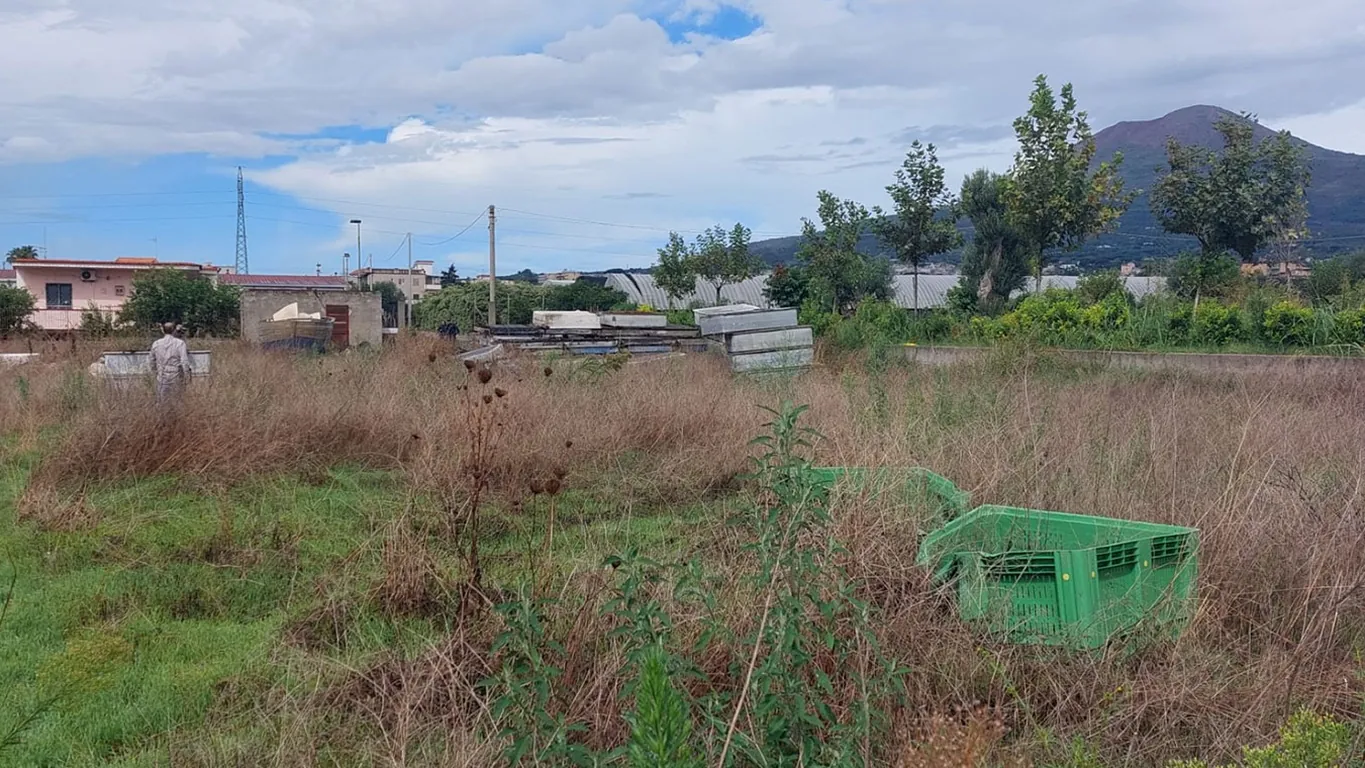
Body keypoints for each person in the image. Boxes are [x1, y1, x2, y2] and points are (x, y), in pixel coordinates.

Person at [149, 321, 193, 404]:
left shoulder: (156, 344)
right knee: (177, 400)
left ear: (163, 330)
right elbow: (184, 361)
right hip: (176, 375)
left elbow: (151, 360)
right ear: (173, 330)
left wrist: (155, 372)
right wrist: (187, 375)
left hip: (161, 375)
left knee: (162, 401)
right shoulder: (180, 343)